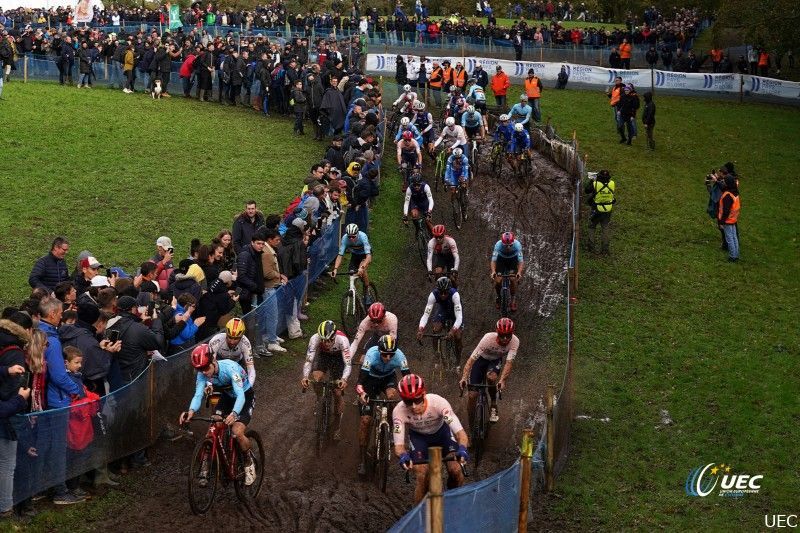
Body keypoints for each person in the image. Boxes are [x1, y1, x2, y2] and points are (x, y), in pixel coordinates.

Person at [179, 344, 257, 486]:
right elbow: (198, 395)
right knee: (213, 429)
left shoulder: (230, 369)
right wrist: (190, 411)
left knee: (236, 431)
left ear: (213, 361)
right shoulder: (202, 373)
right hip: (227, 397)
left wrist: (234, 414)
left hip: (244, 397)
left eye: (206, 368)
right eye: (200, 370)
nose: (205, 373)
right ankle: (206, 465)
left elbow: (240, 396)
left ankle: (248, 461)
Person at [393, 374, 468, 504]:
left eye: (417, 400)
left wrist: (462, 449)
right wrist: (404, 456)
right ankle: (418, 517)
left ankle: (455, 502)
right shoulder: (399, 411)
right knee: (422, 474)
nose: (414, 406)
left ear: (424, 394)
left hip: (442, 434)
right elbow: (399, 447)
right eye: (408, 402)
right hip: (419, 438)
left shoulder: (438, 403)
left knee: (456, 470)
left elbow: (461, 434)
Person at [355, 334, 409, 475]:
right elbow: (360, 383)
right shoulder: (371, 355)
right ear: (379, 351)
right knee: (365, 420)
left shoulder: (400, 356)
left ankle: (391, 430)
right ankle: (361, 460)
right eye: (385, 355)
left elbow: (408, 379)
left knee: (392, 396)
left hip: (387, 379)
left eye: (391, 355)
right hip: (370, 380)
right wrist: (362, 393)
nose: (388, 358)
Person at [459, 318, 519, 425]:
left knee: (492, 378)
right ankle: (471, 422)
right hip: (481, 360)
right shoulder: (487, 339)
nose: (505, 339)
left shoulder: (515, 341)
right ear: (497, 333)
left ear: (512, 333)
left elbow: (508, 363)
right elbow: (471, 360)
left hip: (495, 360)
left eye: (508, 335)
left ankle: (493, 404)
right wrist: (464, 377)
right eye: (501, 335)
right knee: (472, 395)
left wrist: (502, 380)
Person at [301, 320, 352, 441]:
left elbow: (348, 364)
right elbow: (309, 360)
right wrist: (305, 376)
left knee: (338, 393)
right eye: (323, 340)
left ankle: (337, 426)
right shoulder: (314, 339)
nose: (327, 343)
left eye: (329, 340)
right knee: (316, 377)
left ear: (334, 336)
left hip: (339, 358)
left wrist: (344, 379)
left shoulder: (343, 340)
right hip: (323, 356)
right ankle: (320, 398)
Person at [416, 276, 464, 363]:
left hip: (454, 312)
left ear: (449, 290)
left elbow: (459, 318)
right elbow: (426, 315)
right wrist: (421, 329)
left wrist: (452, 331)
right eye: (441, 292)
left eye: (445, 292)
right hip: (443, 310)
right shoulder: (433, 295)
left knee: (458, 336)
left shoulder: (455, 295)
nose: (443, 295)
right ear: (438, 290)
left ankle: (458, 361)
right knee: (436, 330)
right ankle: (437, 357)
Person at [208, 317, 256, 386]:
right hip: (219, 364)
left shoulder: (245, 342)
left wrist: (248, 387)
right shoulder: (216, 341)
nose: (232, 342)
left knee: (239, 386)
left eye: (236, 338)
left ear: (242, 336)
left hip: (237, 365)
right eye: (230, 337)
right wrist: (209, 385)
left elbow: (251, 369)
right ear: (226, 333)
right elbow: (209, 367)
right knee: (216, 387)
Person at [330, 223, 373, 297]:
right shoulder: (345, 239)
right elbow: (340, 255)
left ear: (357, 234)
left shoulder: (363, 237)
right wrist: (335, 269)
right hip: (355, 255)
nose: (351, 239)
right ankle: (353, 291)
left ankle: (367, 292)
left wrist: (362, 267)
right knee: (351, 273)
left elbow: (368, 257)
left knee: (362, 270)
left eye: (353, 236)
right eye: (349, 237)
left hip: (365, 255)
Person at [584, 170, 616, 254]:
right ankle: (605, 249)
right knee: (605, 228)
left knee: (592, 227)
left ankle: (591, 247)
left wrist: (591, 180)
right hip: (608, 210)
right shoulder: (612, 183)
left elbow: (586, 190)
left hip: (596, 209)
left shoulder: (596, 184)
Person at [491, 231, 524, 311]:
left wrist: (519, 272)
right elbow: (493, 260)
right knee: (498, 281)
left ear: (513, 242)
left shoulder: (517, 245)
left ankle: (513, 299)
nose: (508, 247)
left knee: (513, 279)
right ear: (502, 243)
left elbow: (520, 261)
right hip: (501, 260)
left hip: (512, 261)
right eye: (506, 245)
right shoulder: (498, 245)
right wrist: (493, 271)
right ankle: (499, 297)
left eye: (510, 245)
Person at [717, 175, 740, 262]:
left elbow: (726, 211)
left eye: (724, 181)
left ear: (727, 183)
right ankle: (736, 254)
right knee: (734, 237)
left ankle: (732, 256)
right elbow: (723, 188)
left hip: (727, 220)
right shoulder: (735, 192)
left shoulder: (727, 195)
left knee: (729, 238)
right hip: (733, 219)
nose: (723, 182)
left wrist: (721, 222)